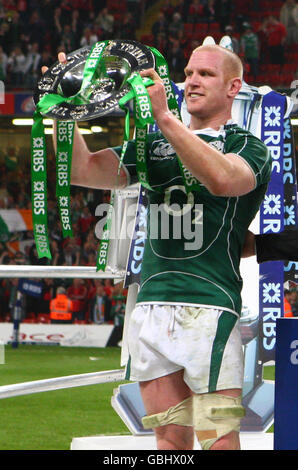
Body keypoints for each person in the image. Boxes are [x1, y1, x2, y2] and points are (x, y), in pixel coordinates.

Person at [45, 44, 271, 450]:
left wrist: (165, 117)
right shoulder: (153, 145)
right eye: (188, 72)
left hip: (208, 305)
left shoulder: (247, 148)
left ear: (233, 86)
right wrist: (65, 111)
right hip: (151, 303)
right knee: (168, 439)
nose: (192, 81)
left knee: (217, 438)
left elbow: (221, 180)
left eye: (206, 74)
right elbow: (82, 169)